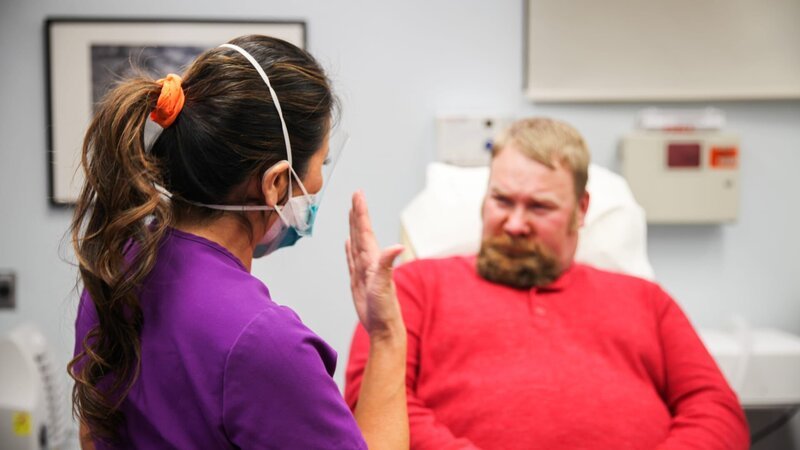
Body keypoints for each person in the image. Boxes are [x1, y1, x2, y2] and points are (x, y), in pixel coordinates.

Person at [68, 35, 408, 449]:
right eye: (322, 163)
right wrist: (388, 334)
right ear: (276, 183)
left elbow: (93, 433)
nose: (319, 184)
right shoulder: (264, 343)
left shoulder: (117, 267)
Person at [345, 118, 749, 449]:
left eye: (539, 207)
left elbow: (716, 409)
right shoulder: (414, 289)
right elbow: (374, 402)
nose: (516, 224)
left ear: (581, 209)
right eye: (502, 200)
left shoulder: (646, 300)